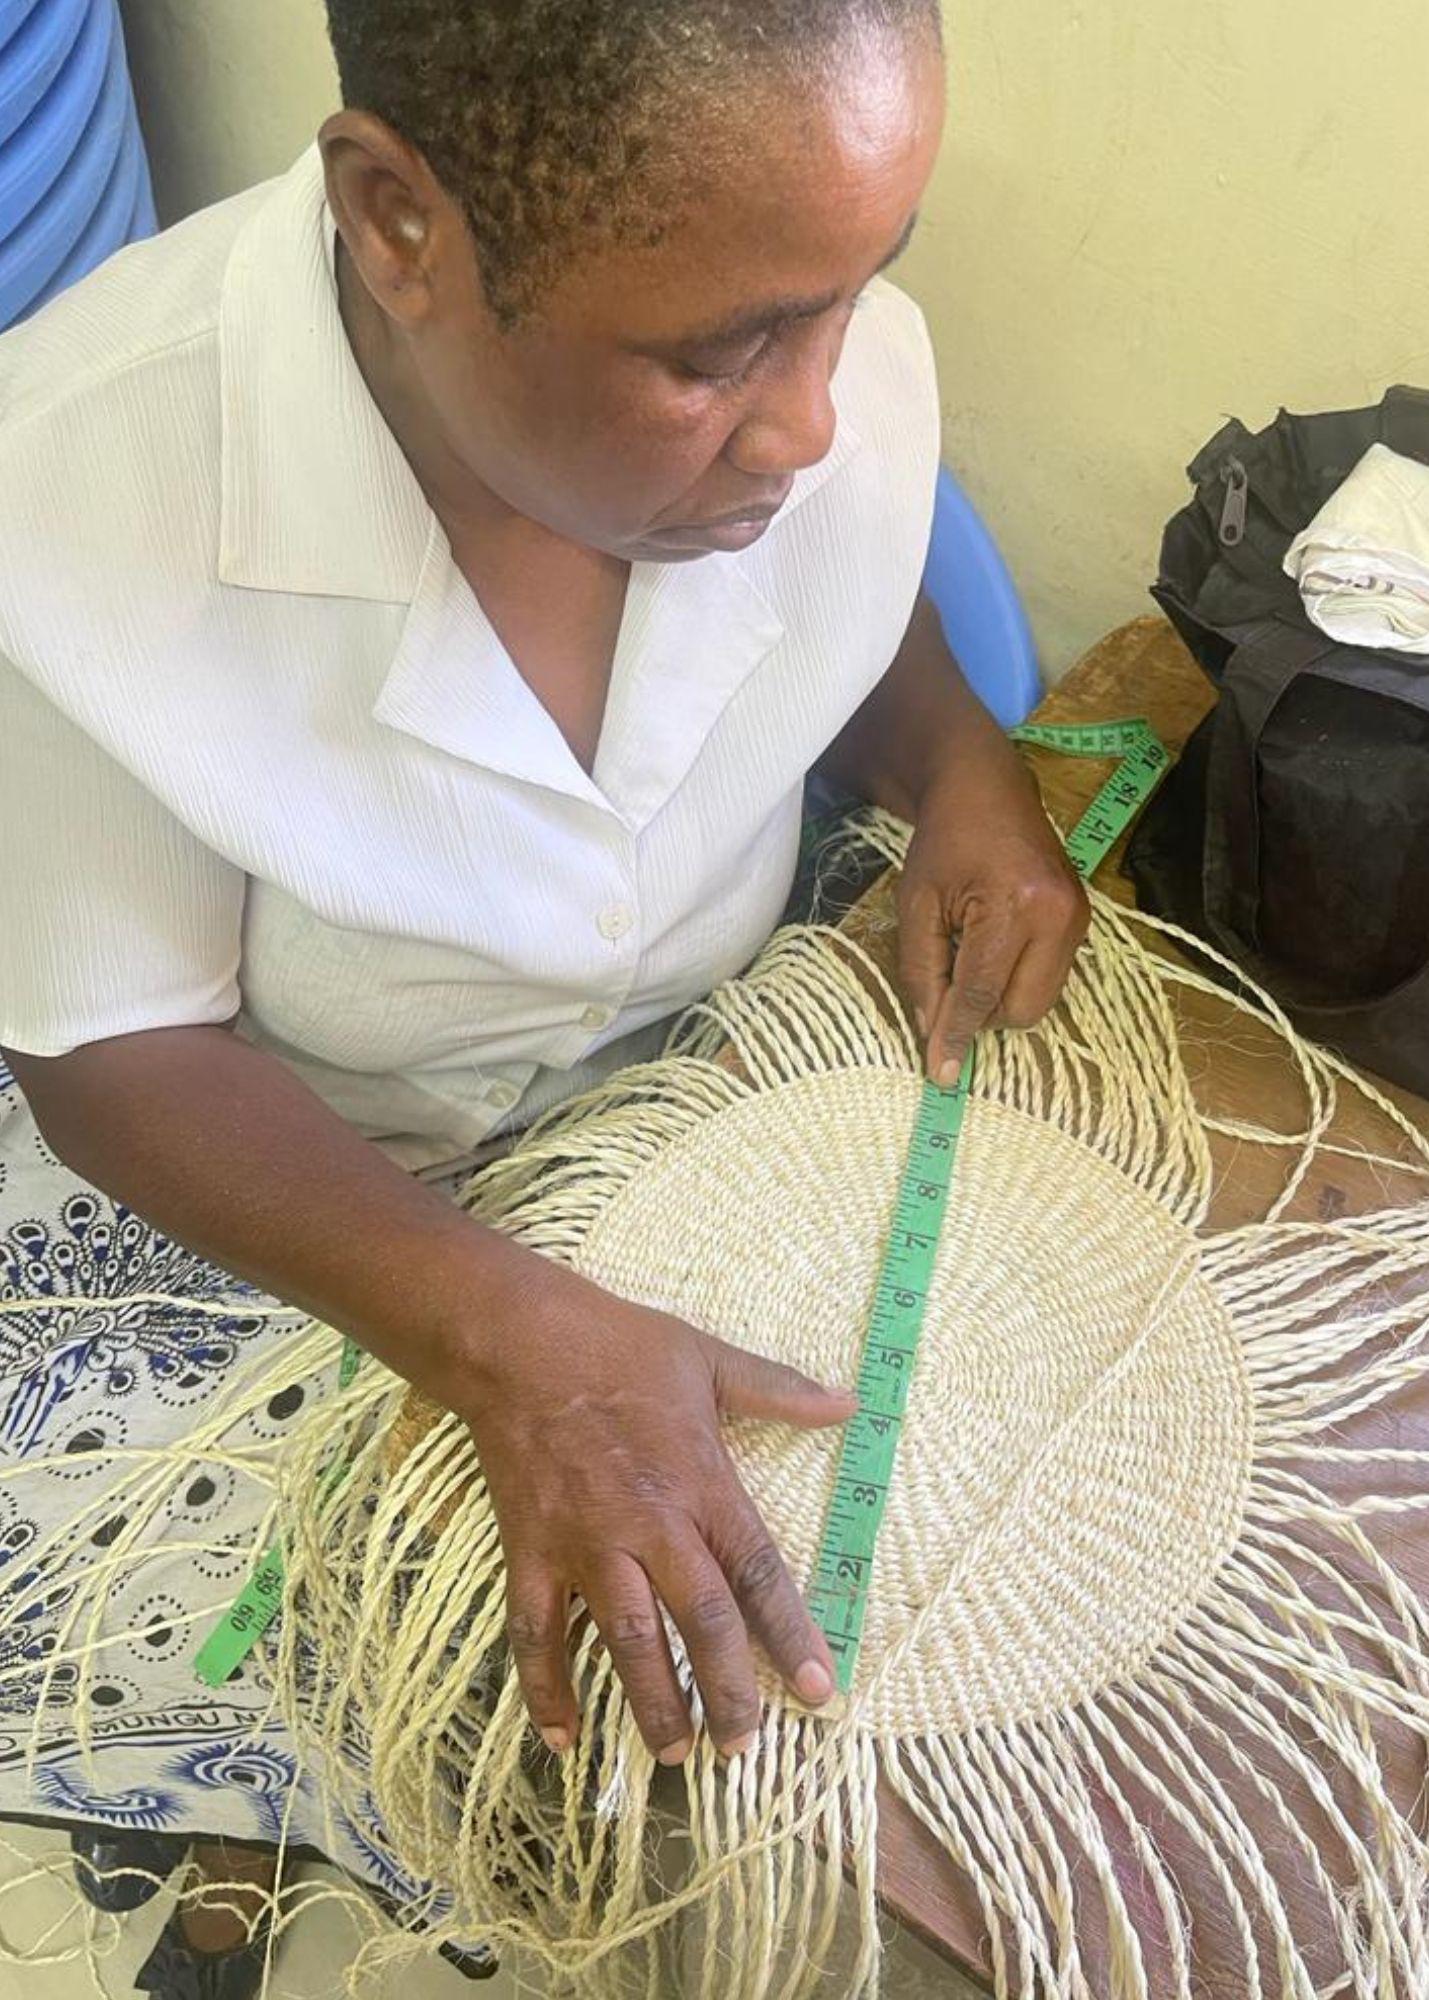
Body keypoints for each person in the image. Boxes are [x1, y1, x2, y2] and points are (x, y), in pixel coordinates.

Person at [0, 0, 1087, 1990]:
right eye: (718, 355)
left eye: (861, 296)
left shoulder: (775, 345)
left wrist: (957, 771)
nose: (816, 421)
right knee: (405, 1698)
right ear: (399, 219)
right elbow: (114, 1056)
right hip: (319, 1165)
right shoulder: (67, 511)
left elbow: (853, 584)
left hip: (694, 1051)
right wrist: (508, 1335)